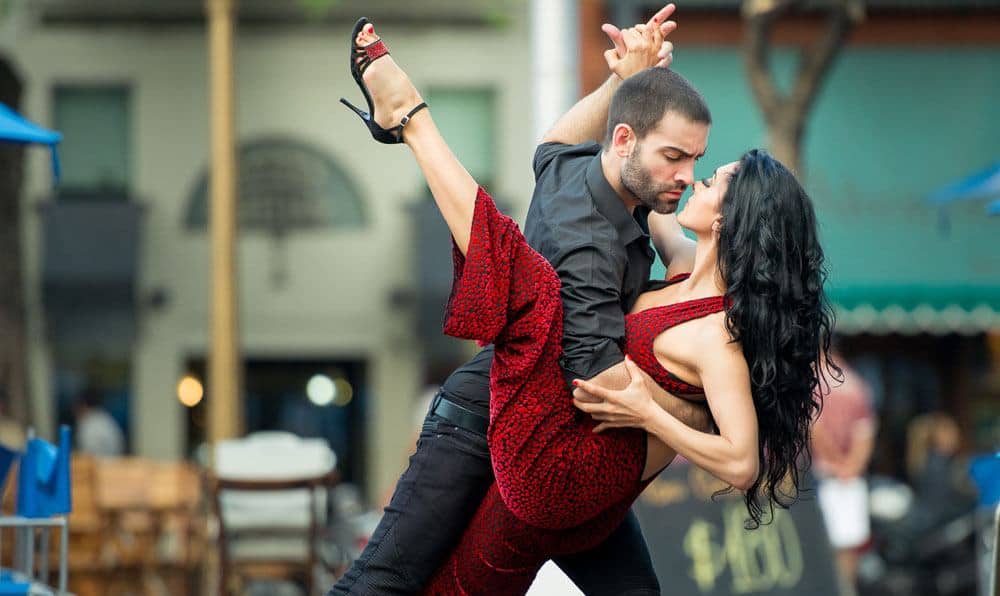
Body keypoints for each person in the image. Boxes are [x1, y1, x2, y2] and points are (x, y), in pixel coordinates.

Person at [340, 18, 838, 594]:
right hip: (502, 428)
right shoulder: (598, 249)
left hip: (577, 466)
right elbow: (599, 382)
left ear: (730, 223)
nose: (689, 179)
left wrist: (630, 81)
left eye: (700, 169)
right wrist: (679, 414)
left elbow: (555, 146)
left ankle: (410, 119)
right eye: (677, 159)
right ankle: (411, 118)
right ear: (625, 141)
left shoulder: (677, 267)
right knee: (389, 580)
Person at [810, 351, 877, 587]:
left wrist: (837, 463)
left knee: (820, 544)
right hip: (849, 477)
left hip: (822, 475)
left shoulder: (813, 383)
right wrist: (851, 466)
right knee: (849, 548)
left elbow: (814, 431)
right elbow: (865, 434)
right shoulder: (857, 384)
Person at [74, 387, 125, 457]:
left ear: (83, 405)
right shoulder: (104, 417)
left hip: (103, 462)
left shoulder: (89, 423)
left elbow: (89, 455)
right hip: (113, 460)